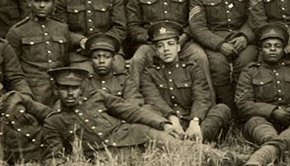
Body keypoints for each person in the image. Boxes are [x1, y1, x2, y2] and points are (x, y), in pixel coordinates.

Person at [41, 65, 218, 158]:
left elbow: (132, 112)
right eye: (64, 88)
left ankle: (233, 160)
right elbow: (55, 157)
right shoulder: (54, 121)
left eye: (74, 87)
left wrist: (163, 124)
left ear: (81, 88)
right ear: (56, 90)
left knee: (184, 149)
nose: (70, 93)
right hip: (110, 156)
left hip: (138, 135)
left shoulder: (97, 97)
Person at [126, 0, 211, 92]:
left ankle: (207, 105)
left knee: (200, 57)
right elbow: (133, 26)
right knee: (138, 59)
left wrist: (182, 39)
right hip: (152, 44)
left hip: (182, 42)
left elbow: (196, 20)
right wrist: (152, 40)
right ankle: (134, 107)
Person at [188, 0, 258, 110]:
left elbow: (254, 17)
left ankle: (243, 110)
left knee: (245, 63)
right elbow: (197, 26)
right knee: (219, 67)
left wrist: (245, 36)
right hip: (215, 39)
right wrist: (219, 45)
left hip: (240, 37)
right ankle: (226, 111)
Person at [138, 21, 232, 144]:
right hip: (167, 123)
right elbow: (154, 99)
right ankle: (191, 143)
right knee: (146, 109)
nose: (166, 49)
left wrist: (194, 121)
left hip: (193, 121)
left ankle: (191, 138)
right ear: (156, 51)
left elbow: (202, 96)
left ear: (178, 47)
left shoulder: (192, 68)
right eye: (160, 46)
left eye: (170, 44)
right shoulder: (149, 73)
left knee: (222, 109)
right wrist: (172, 119)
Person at [235, 23, 290, 148]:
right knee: (257, 124)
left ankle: (277, 147)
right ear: (261, 50)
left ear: (284, 49)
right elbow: (243, 103)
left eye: (277, 46)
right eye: (267, 46)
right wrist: (272, 111)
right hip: (262, 119)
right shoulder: (250, 71)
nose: (272, 49)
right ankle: (273, 143)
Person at [6, 0, 70, 106]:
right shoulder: (17, 31)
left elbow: (65, 61)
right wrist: (25, 96)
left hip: (60, 92)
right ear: (30, 2)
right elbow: (13, 72)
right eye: (37, 1)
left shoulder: (62, 28)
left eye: (46, 1)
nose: (42, 5)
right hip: (33, 92)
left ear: (53, 3)